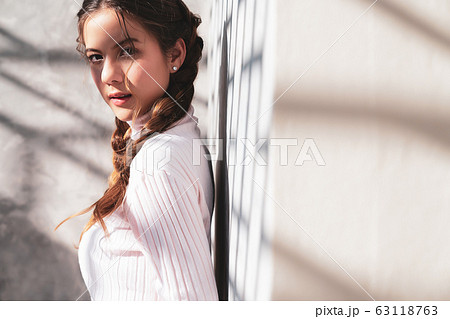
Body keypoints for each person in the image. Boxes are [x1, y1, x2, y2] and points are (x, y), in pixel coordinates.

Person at [55, 0, 218, 301]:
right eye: (96, 57)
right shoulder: (172, 140)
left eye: (127, 51)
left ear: (175, 54)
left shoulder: (158, 163)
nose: (108, 75)